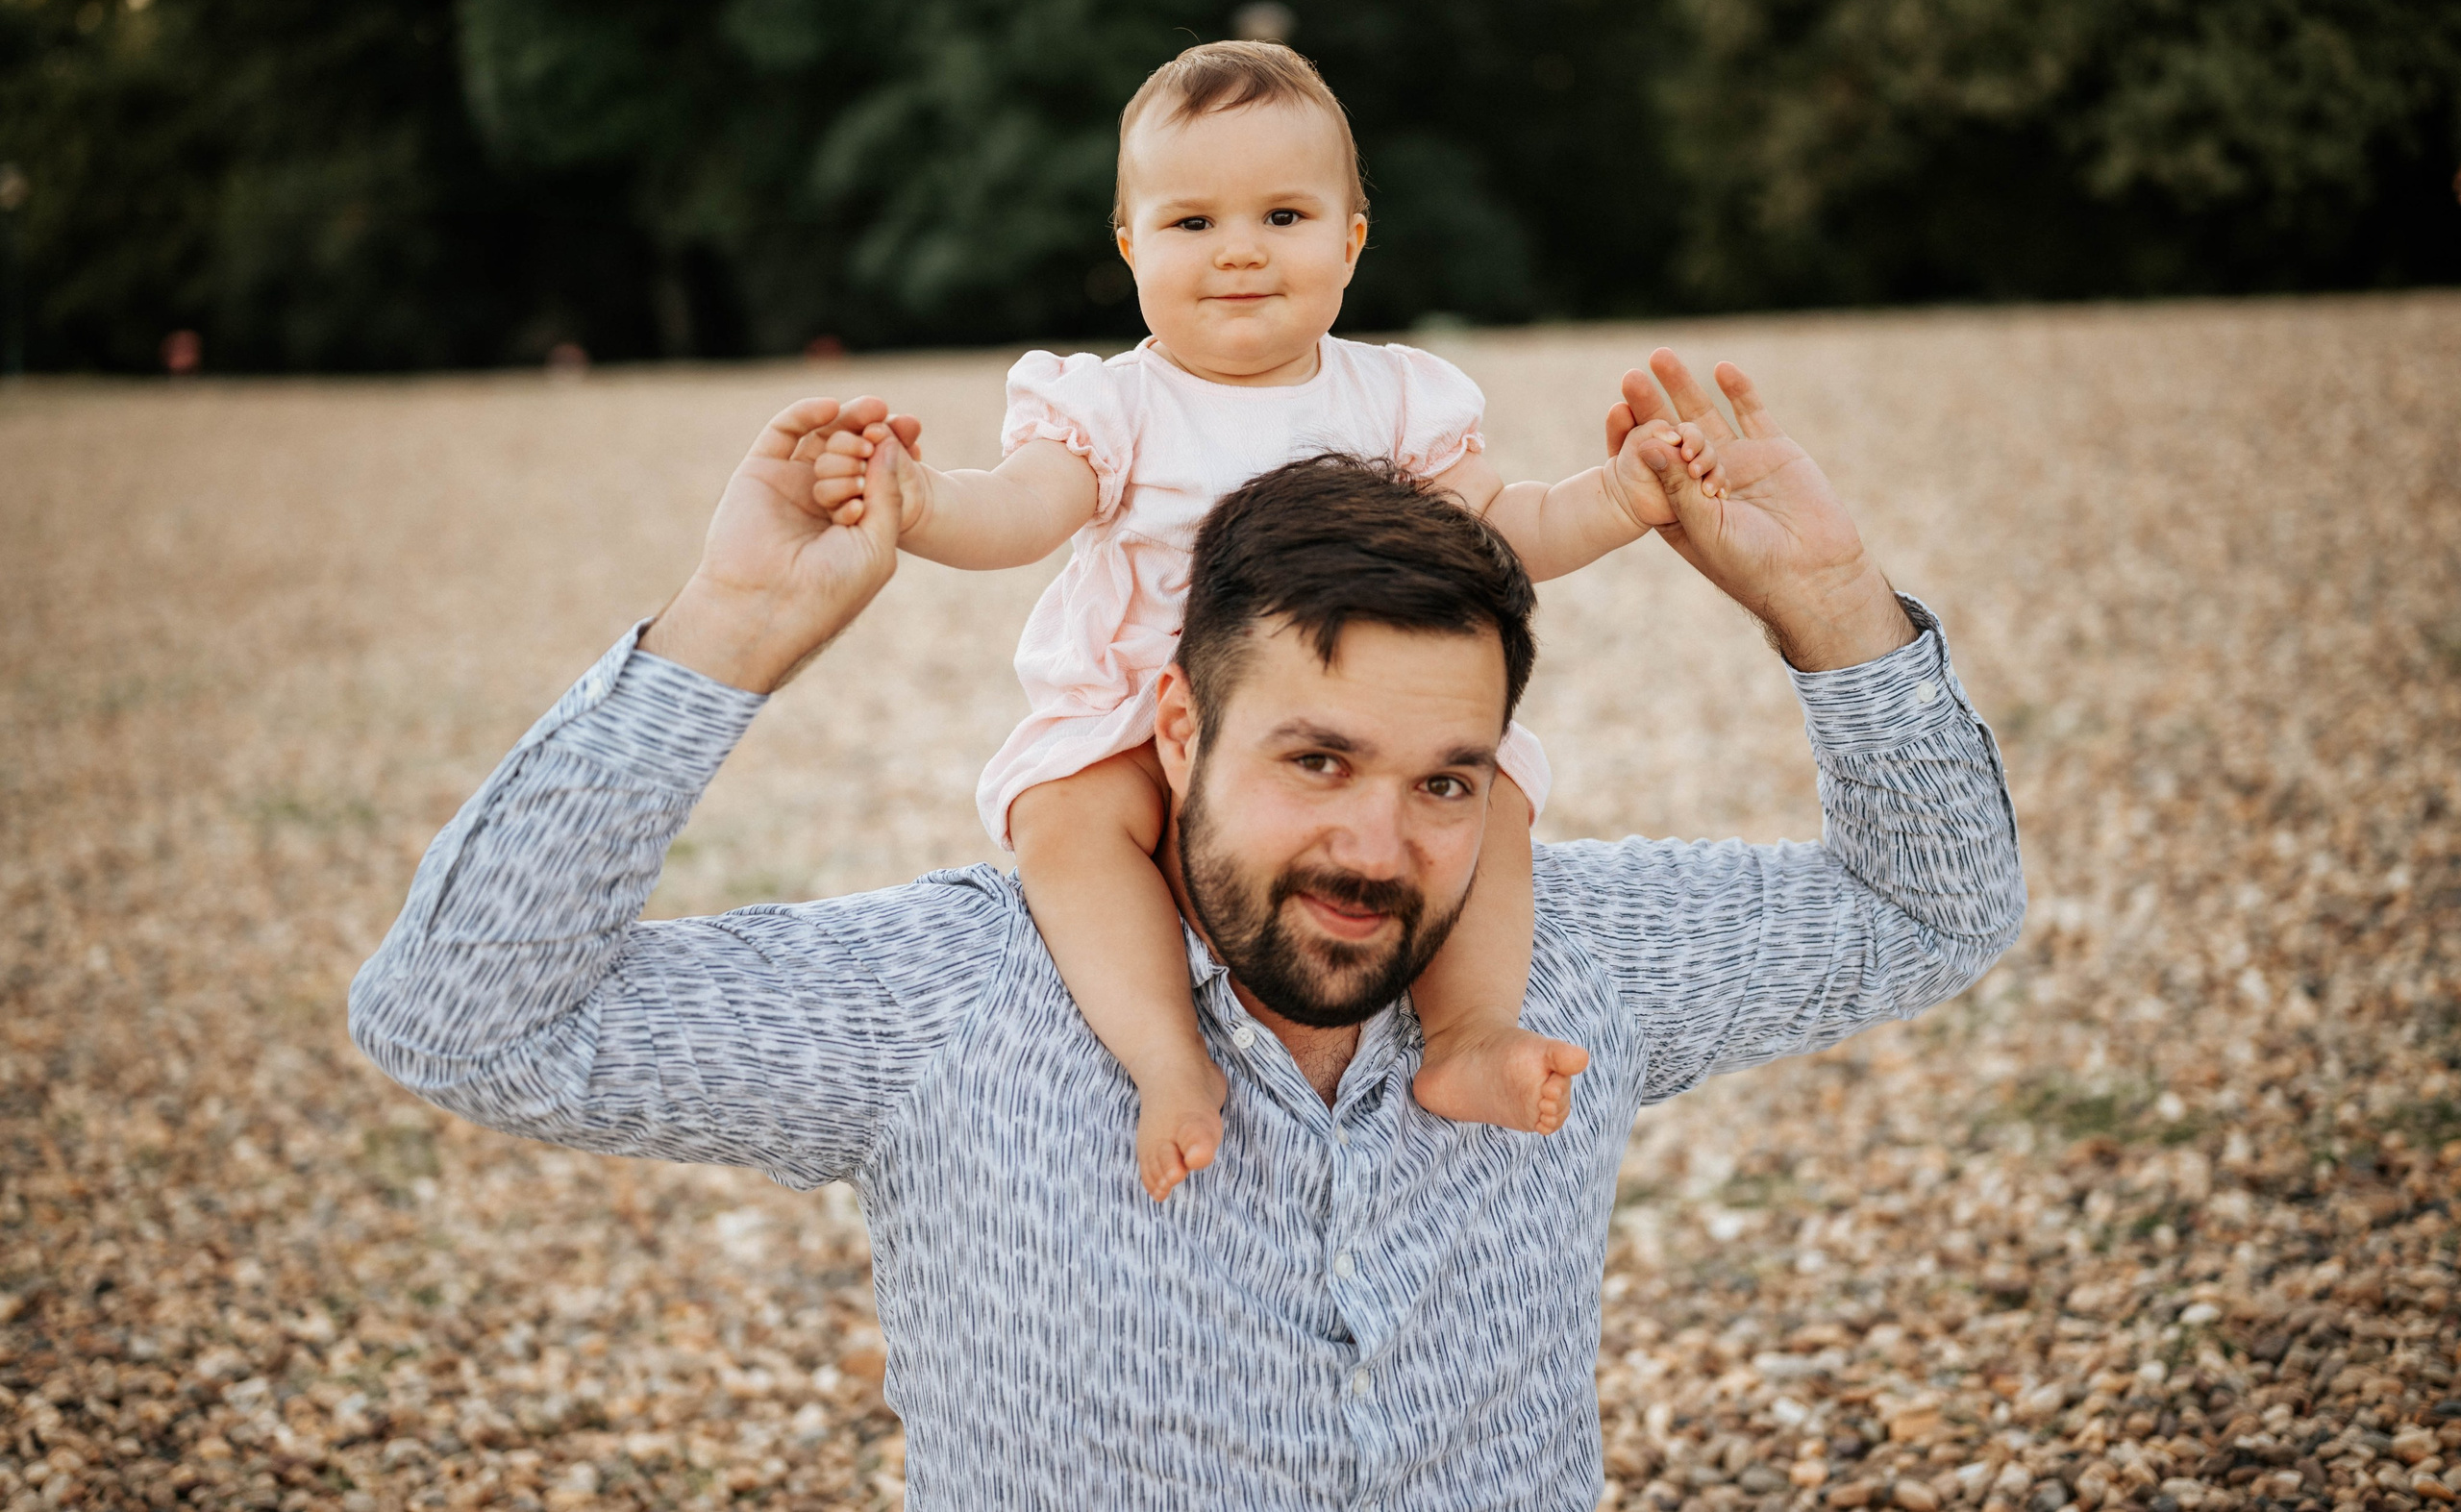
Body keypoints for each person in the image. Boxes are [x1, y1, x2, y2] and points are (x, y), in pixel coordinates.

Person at [350, 357, 2026, 1508]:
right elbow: (463, 1018)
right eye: (1315, 758)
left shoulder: (1569, 963)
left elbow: (1932, 906)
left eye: (1450, 776)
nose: (1380, 845)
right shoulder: (954, 1002)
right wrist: (725, 634)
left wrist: (1828, 602)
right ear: (1171, 728)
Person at [799, 39, 1728, 1198]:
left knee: (1494, 799)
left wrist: (1624, 495)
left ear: (1350, 239)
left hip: (1355, 717)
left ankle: (1471, 1033)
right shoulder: (1113, 406)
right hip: (1142, 712)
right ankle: (1167, 1058)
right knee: (1066, 821)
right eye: (1192, 224)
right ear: (1131, 247)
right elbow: (1019, 512)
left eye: (1282, 214)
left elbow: (1506, 528)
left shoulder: (1395, 398)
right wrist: (918, 501)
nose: (1238, 249)